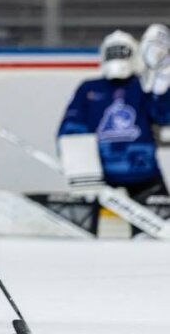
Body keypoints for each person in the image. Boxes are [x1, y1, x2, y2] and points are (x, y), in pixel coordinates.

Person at [57, 30, 170, 235]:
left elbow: (164, 117)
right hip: (101, 173)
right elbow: (71, 130)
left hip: (142, 174)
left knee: (154, 237)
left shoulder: (144, 85)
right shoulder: (89, 89)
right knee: (80, 236)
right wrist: (81, 171)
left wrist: (162, 91)